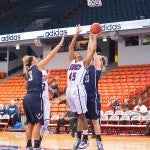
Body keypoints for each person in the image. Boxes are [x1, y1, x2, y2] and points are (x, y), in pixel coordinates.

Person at [22, 36, 64, 149]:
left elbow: (27, 85)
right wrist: (60, 44)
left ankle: (28, 145)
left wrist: (47, 79)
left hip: (27, 98)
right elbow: (50, 56)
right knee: (38, 123)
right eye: (35, 58)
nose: (37, 59)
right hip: (35, 98)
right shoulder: (37, 67)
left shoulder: (27, 72)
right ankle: (36, 146)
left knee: (30, 123)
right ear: (32, 62)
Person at [66, 24, 97, 150]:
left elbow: (93, 50)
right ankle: (79, 138)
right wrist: (76, 33)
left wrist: (94, 37)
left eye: (81, 52)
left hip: (78, 90)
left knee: (82, 116)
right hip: (69, 90)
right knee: (77, 115)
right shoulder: (72, 61)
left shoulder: (84, 63)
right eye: (77, 52)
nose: (79, 52)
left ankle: (85, 139)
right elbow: (71, 46)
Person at [83, 46, 107, 149]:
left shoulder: (97, 69)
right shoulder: (88, 67)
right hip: (83, 96)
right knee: (82, 119)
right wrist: (91, 39)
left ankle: (99, 142)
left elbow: (93, 54)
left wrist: (94, 39)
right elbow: (90, 53)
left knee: (95, 120)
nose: (95, 60)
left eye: (99, 60)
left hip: (93, 97)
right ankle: (84, 139)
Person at [39, 69, 50, 145]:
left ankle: (40, 137)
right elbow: (38, 81)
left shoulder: (44, 71)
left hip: (46, 98)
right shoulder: (35, 71)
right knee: (38, 122)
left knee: (46, 121)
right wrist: (46, 77)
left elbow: (45, 84)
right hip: (38, 98)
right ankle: (34, 141)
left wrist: (52, 79)